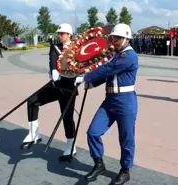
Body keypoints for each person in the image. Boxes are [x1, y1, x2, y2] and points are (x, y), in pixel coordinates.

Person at [74, 23, 138, 185]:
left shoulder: (128, 56)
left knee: (126, 138)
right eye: (113, 37)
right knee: (93, 132)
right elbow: (106, 75)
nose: (113, 40)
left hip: (125, 102)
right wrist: (92, 83)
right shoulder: (116, 55)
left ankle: (125, 170)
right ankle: (99, 164)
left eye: (116, 38)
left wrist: (86, 77)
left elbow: (109, 69)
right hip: (110, 101)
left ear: (126, 38)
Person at [20, 23, 78, 162]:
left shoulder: (76, 49)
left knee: (67, 117)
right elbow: (52, 60)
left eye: (62, 33)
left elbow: (82, 64)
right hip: (55, 85)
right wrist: (53, 70)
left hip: (69, 88)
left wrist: (81, 76)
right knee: (32, 100)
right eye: (59, 33)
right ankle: (34, 134)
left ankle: (71, 145)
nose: (60, 35)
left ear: (69, 34)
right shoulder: (55, 47)